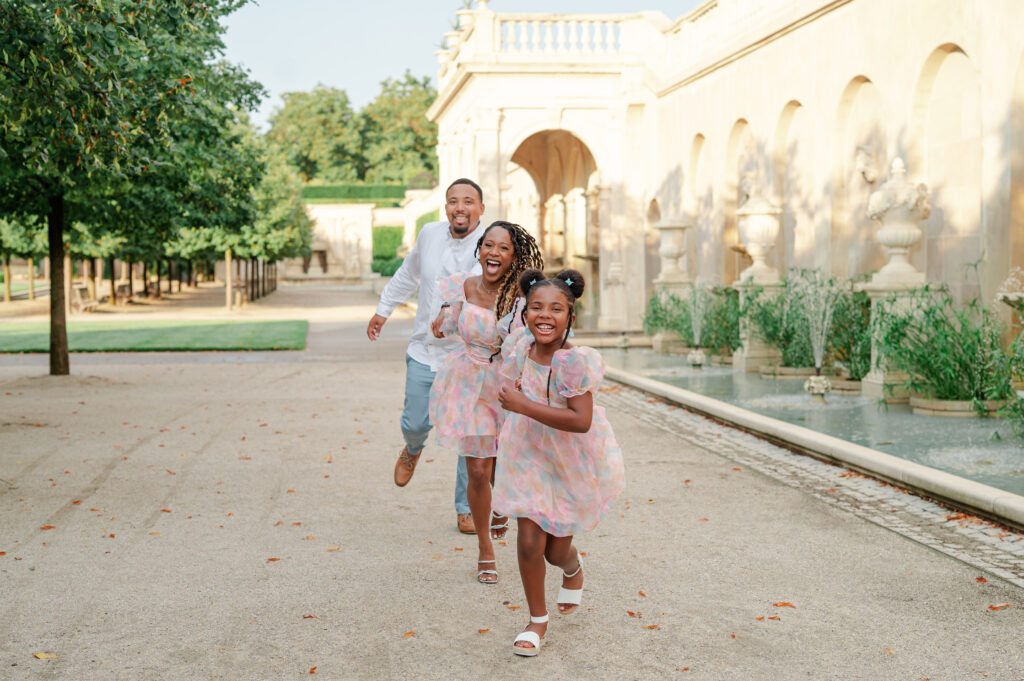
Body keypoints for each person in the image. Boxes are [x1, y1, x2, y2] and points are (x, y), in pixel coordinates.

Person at [494, 269, 626, 656]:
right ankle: (537, 619)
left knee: (554, 551)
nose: (544, 315)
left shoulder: (573, 362)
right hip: (527, 453)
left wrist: (524, 405)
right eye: (536, 307)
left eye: (555, 308)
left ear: (570, 315)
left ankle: (572, 567)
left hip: (569, 458)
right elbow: (511, 384)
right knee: (530, 542)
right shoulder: (521, 348)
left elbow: (581, 421)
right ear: (525, 313)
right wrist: (516, 396)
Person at [366, 178, 485, 534]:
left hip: (468, 356)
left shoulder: (492, 243)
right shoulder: (429, 234)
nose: (459, 207)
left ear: (481, 208)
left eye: (468, 201)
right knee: (416, 422)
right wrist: (383, 309)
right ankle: (413, 448)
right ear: (445, 207)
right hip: (424, 350)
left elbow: (496, 291)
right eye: (452, 201)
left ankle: (466, 507)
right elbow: (408, 274)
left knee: (469, 432)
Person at [428, 221, 544, 584]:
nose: (494, 253)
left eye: (503, 248)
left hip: (507, 386)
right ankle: (485, 548)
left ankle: (500, 509)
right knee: (477, 469)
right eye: (488, 245)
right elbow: (446, 324)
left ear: (514, 257)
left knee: (502, 464)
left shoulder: (522, 298)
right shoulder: (461, 285)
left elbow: (533, 342)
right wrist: (443, 320)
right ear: (479, 250)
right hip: (469, 384)